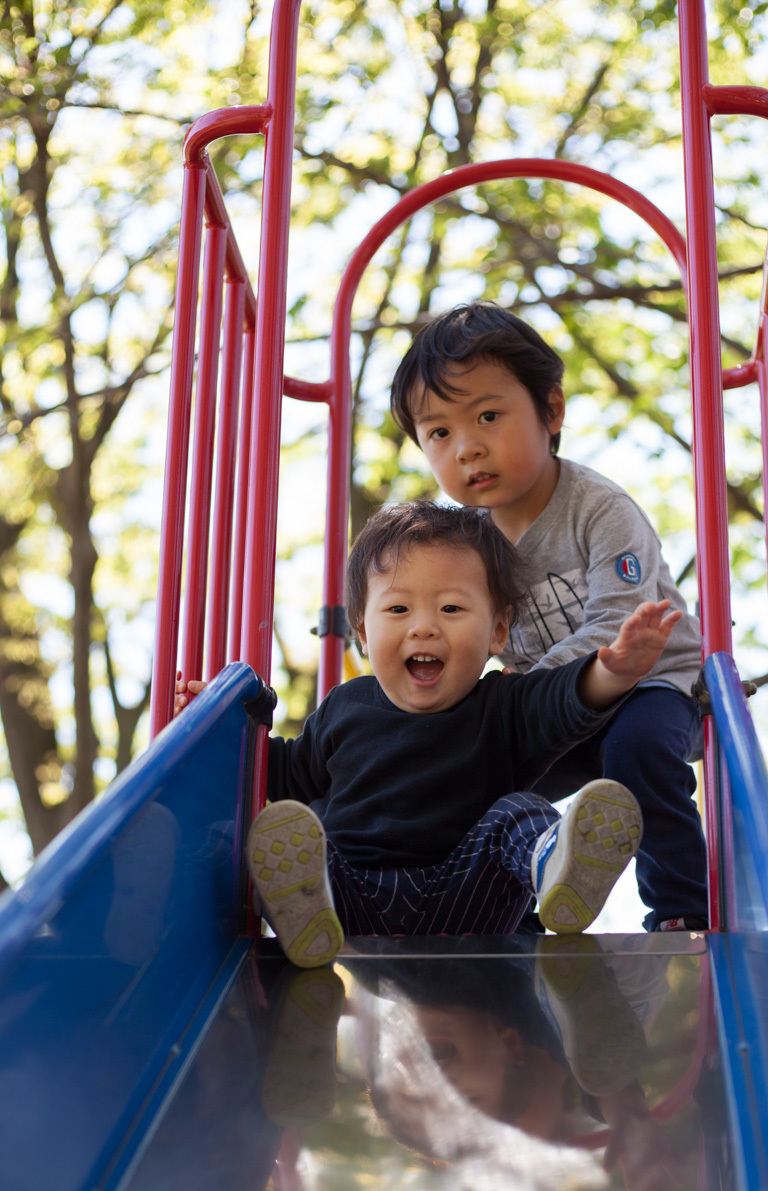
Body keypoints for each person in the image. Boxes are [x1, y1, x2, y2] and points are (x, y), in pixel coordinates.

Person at [176, 501, 680, 967]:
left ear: (498, 631)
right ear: (363, 632)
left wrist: (616, 671)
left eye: (451, 609)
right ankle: (300, 911)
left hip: (468, 907)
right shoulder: (344, 708)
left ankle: (555, 866)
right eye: (398, 610)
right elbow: (280, 771)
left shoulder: (504, 706)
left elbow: (566, 697)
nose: (424, 628)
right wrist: (220, 727)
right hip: (349, 905)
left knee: (520, 812)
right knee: (268, 833)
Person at [389, 301, 708, 932]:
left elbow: (620, 625)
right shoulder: (466, 546)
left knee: (638, 747)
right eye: (440, 433)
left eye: (488, 415)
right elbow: (461, 636)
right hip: (558, 715)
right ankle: (510, 914)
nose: (468, 447)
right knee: (472, 780)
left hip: (653, 687)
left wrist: (519, 693)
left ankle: (680, 911)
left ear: (551, 411)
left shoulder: (600, 509)